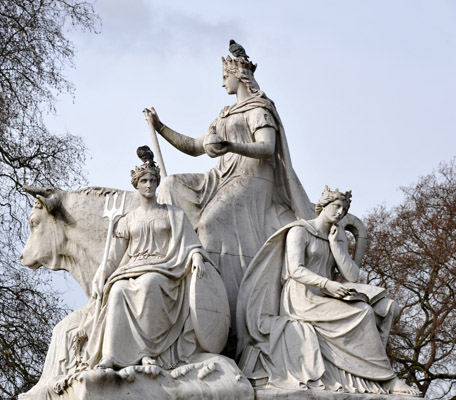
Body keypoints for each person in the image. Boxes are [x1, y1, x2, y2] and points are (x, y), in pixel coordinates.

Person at [144, 50, 313, 329]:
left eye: (225, 77)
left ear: (239, 76)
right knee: (172, 184)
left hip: (253, 177)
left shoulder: (259, 109)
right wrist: (160, 127)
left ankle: (225, 300)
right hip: (220, 175)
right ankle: (178, 262)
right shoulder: (224, 114)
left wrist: (232, 146)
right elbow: (196, 147)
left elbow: (267, 148)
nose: (223, 83)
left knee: (210, 224)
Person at [235, 187, 420, 395]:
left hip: (326, 295)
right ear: (324, 205)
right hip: (302, 298)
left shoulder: (336, 236)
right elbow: (295, 269)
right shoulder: (300, 231)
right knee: (363, 313)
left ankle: (376, 377)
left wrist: (336, 246)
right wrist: (327, 284)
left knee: (379, 308)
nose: (340, 212)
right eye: (336, 206)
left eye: (344, 208)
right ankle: (387, 379)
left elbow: (351, 276)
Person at [84, 146, 214, 369]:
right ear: (136, 184)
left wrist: (195, 255)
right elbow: (114, 255)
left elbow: (191, 242)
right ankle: (112, 355)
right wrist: (102, 272)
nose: (149, 185)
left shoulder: (173, 214)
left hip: (164, 268)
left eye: (153, 181)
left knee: (150, 283)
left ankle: (147, 352)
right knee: (117, 291)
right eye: (144, 181)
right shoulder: (127, 219)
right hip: (133, 268)